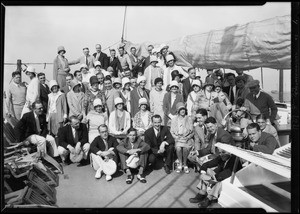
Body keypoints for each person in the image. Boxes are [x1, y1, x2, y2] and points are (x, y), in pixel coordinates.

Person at [170, 102, 194, 174]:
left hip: (187, 138)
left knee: (186, 148)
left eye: (183, 109)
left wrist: (188, 137)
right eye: (181, 109)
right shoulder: (174, 119)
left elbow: (192, 132)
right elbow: (172, 132)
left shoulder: (189, 119)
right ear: (178, 111)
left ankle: (185, 164)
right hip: (178, 138)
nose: (182, 111)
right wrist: (176, 137)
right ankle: (180, 164)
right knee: (178, 148)